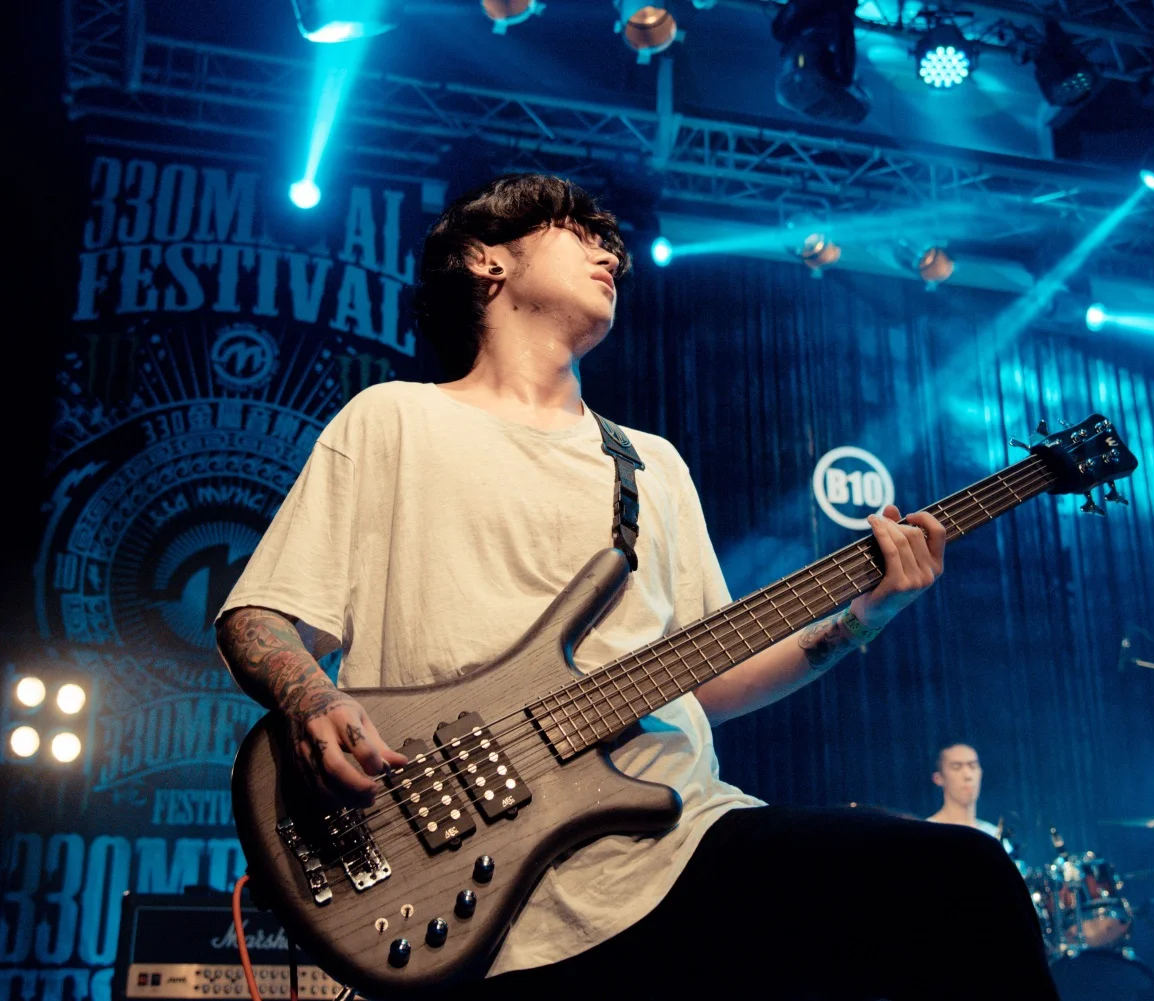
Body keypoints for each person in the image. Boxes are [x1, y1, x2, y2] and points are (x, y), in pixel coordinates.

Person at [215, 174, 1057, 1001]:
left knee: (961, 878)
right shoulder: (396, 419)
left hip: (681, 844)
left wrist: (864, 617)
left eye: (611, 241)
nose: (610, 253)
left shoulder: (650, 464)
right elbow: (260, 615)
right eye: (578, 231)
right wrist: (312, 698)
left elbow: (711, 677)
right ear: (484, 260)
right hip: (482, 888)